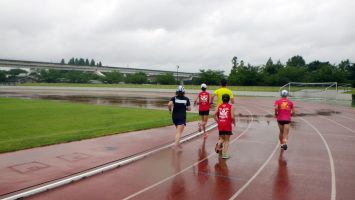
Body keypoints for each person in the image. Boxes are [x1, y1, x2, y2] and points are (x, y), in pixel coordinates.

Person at [168, 85, 191, 150]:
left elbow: (169, 104)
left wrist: (170, 110)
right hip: (182, 117)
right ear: (184, 92)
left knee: (179, 131)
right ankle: (175, 145)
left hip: (174, 117)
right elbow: (189, 109)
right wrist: (184, 107)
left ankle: (178, 143)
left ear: (177, 91)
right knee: (179, 132)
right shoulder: (186, 99)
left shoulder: (174, 98)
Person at [213, 94, 236, 159]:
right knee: (227, 140)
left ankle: (218, 143)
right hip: (227, 124)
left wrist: (218, 121)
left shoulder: (219, 106)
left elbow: (213, 115)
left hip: (221, 124)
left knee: (222, 138)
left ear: (222, 99)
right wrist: (234, 122)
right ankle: (225, 155)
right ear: (228, 100)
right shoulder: (230, 107)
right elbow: (232, 117)